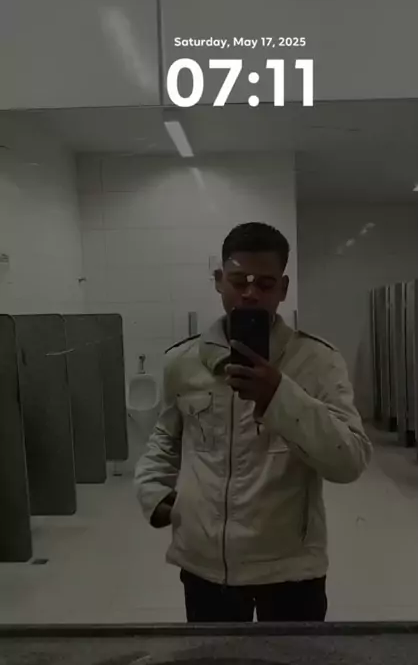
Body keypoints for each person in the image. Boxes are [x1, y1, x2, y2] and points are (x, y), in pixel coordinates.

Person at [134, 222, 372, 623]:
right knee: (216, 663)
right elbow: (166, 436)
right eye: (238, 280)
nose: (250, 293)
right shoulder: (182, 362)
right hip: (206, 563)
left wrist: (280, 395)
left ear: (283, 288)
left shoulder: (317, 362)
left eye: (265, 284)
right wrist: (152, 491)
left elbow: (349, 460)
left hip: (290, 566)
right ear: (218, 280)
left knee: (295, 664)